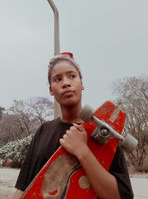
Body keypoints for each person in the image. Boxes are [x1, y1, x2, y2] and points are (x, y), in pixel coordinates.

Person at [13, 52, 133, 199]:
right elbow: (22, 188)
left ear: (82, 84)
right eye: (57, 79)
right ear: (51, 89)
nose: (66, 83)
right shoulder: (43, 131)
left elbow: (119, 196)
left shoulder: (105, 133)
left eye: (72, 76)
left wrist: (82, 150)